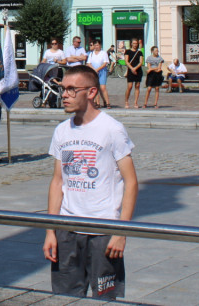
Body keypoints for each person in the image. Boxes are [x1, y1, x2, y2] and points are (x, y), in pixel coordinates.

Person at [43, 65, 137, 300]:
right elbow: (57, 182)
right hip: (67, 230)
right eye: (63, 89)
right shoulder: (62, 131)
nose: (64, 95)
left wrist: (121, 232)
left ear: (92, 92)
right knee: (64, 297)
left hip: (103, 231)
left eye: (72, 89)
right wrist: (50, 231)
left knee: (105, 298)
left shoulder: (112, 129)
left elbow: (131, 182)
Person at [86, 41, 111, 109]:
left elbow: (105, 63)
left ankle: (107, 102)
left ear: (100, 45)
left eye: (98, 45)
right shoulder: (91, 54)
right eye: (95, 45)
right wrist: (94, 70)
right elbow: (89, 63)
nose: (96, 46)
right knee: (95, 87)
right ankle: (97, 103)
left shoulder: (103, 53)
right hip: (94, 72)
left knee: (102, 87)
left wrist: (97, 69)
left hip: (102, 71)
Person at [123, 39, 143, 109]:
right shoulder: (128, 51)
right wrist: (132, 68)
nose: (135, 45)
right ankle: (126, 101)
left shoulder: (139, 52)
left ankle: (135, 102)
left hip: (138, 71)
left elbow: (141, 62)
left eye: (136, 43)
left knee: (137, 86)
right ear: (131, 43)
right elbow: (126, 61)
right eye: (134, 43)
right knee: (130, 86)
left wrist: (135, 68)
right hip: (130, 70)